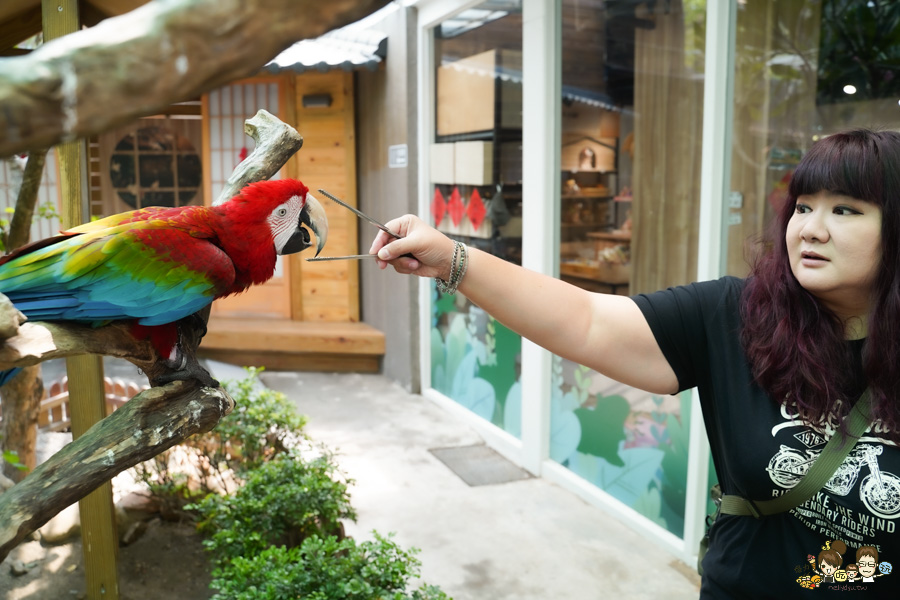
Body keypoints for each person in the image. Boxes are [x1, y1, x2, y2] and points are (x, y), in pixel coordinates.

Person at [369, 128, 900, 599]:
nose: (811, 229)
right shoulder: (738, 317)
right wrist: (451, 258)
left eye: (845, 210)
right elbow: (587, 321)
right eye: (803, 207)